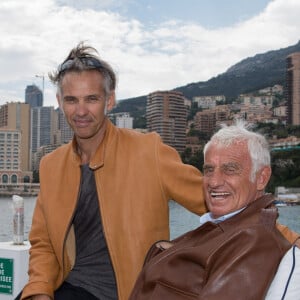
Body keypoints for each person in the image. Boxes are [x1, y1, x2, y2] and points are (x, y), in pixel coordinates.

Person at [18, 42, 206, 300]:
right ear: (60, 102)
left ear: (110, 100)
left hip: (131, 293)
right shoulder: (52, 166)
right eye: (72, 100)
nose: (81, 111)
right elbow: (44, 244)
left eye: (91, 99)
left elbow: (218, 203)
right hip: (68, 286)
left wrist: (276, 239)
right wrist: (39, 292)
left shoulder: (147, 151)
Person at [129, 121, 300, 300]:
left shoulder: (252, 241)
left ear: (261, 178)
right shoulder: (226, 228)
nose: (213, 181)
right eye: (209, 170)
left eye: (230, 170)